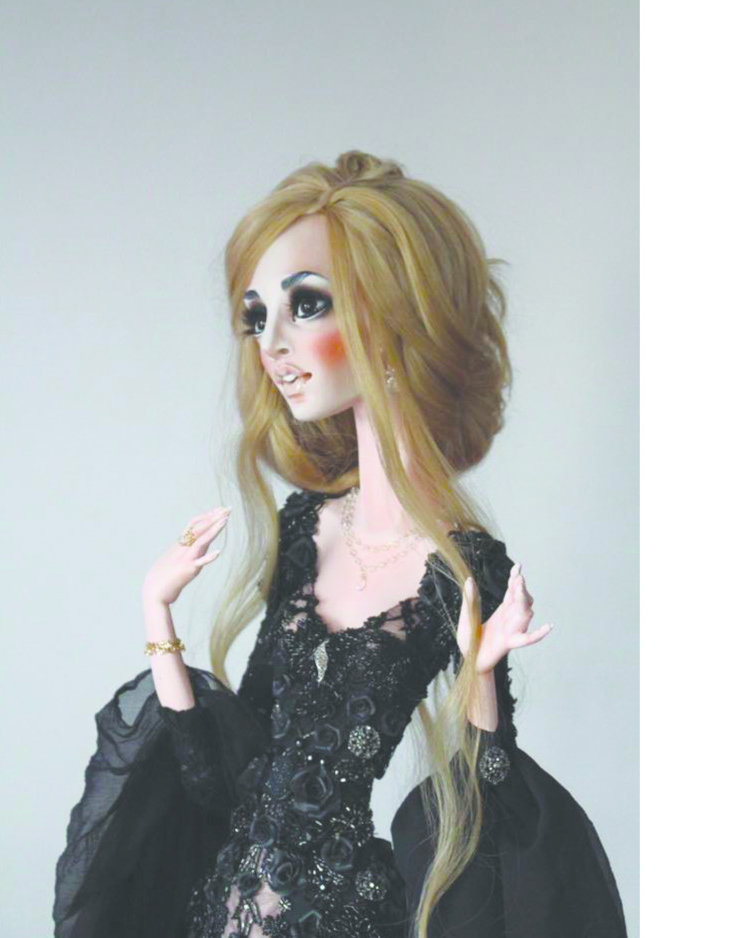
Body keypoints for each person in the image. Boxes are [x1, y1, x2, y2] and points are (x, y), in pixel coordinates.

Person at [53, 151, 627, 938]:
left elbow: (490, 792)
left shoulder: (461, 569)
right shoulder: (305, 528)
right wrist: (158, 618)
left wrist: (483, 677)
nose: (272, 345)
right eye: (258, 317)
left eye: (307, 305)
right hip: (223, 912)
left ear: (393, 317)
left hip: (340, 911)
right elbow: (223, 773)